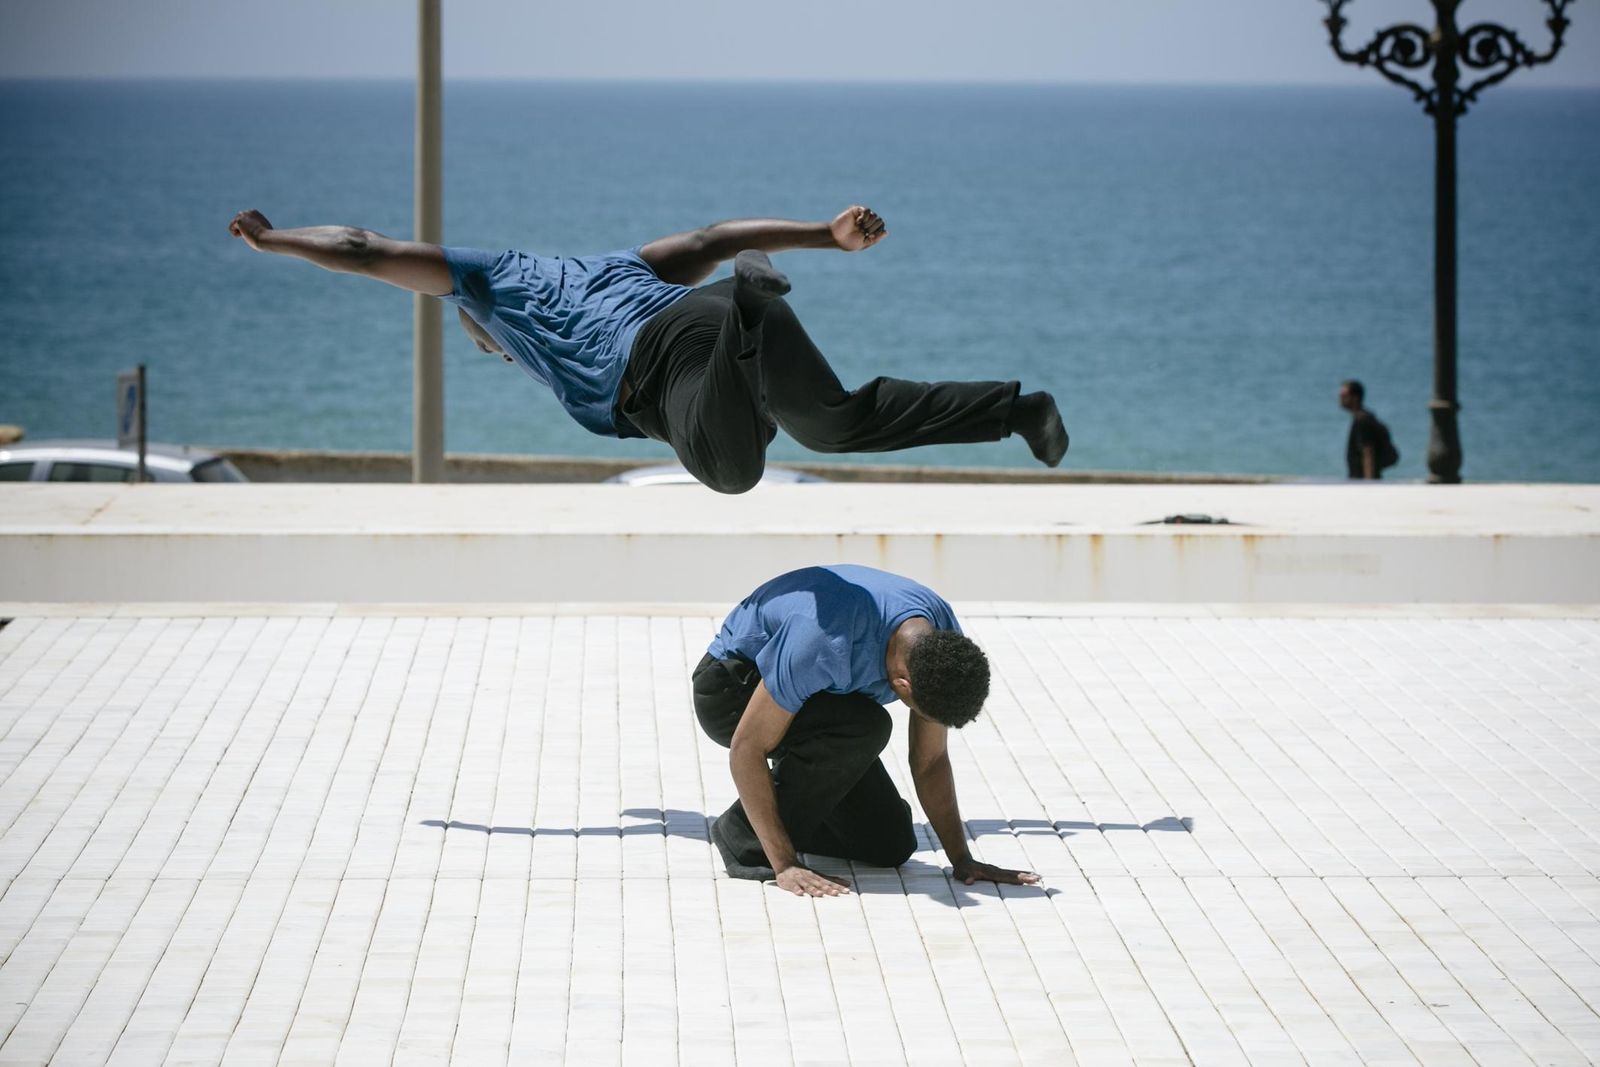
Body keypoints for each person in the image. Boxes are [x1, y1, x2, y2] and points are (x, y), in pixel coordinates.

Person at [227, 206, 1068, 494]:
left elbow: (363, 246)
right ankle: (1018, 410)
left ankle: (747, 313)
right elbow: (713, 233)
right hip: (704, 309)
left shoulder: (482, 285)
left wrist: (274, 243)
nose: (499, 353)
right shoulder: (620, 265)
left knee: (733, 473)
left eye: (490, 348)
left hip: (662, 367)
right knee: (836, 424)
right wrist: (828, 235)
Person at [691, 563, 1041, 897]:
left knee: (890, 844)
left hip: (822, 701)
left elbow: (930, 760)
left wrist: (962, 859)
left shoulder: (939, 639)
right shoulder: (822, 640)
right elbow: (747, 748)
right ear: (903, 684)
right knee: (866, 726)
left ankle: (782, 823)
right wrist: (783, 864)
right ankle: (744, 836)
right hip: (730, 689)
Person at [1339, 379, 1398, 480]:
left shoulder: (1362, 420)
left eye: (1344, 396)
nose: (1340, 400)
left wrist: (1368, 483)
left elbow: (1368, 451)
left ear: (1355, 398)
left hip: (1362, 480)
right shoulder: (1366, 417)